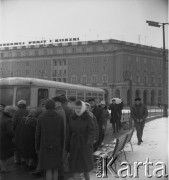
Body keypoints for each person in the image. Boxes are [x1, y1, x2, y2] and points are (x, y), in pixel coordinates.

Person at [35, 99, 64, 180]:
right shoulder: (60, 117)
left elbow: (38, 134)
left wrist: (37, 147)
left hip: (44, 146)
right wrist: (62, 146)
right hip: (57, 146)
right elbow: (62, 134)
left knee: (48, 169)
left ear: (46, 107)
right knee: (55, 168)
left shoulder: (41, 117)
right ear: (54, 107)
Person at [67, 100, 95, 180]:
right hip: (74, 145)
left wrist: (88, 143)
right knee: (75, 168)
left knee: (85, 169)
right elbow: (69, 132)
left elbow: (92, 131)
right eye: (76, 108)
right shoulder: (72, 117)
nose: (78, 110)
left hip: (84, 146)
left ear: (83, 108)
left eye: (79, 108)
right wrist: (68, 146)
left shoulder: (88, 118)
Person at [52, 96, 67, 180]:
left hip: (59, 137)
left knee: (59, 156)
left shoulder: (59, 111)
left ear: (57, 102)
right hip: (61, 136)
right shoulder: (60, 110)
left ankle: (60, 175)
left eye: (54, 102)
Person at [12, 100, 29, 164]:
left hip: (18, 131)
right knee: (24, 145)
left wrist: (13, 130)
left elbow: (14, 123)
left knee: (16, 145)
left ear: (19, 105)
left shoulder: (16, 112)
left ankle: (16, 159)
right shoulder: (28, 112)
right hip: (26, 131)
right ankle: (23, 159)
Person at [0, 104, 14, 173]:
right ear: (10, 111)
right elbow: (10, 131)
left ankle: (3, 168)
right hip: (5, 139)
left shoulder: (1, 117)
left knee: (2, 153)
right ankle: (3, 168)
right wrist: (13, 136)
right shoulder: (9, 120)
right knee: (4, 154)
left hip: (1, 137)